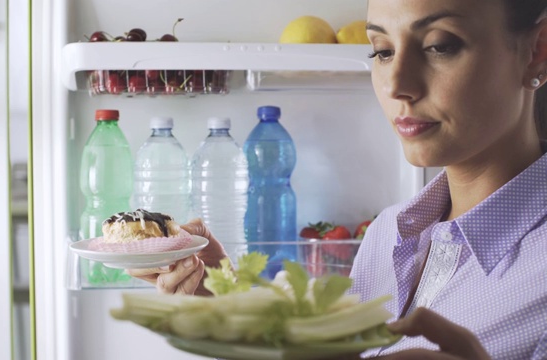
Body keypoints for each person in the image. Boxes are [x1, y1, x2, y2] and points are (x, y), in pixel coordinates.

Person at [128, 0, 547, 358]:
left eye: (439, 46)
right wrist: (233, 304)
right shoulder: (388, 235)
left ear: (536, 50)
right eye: (382, 51)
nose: (397, 84)